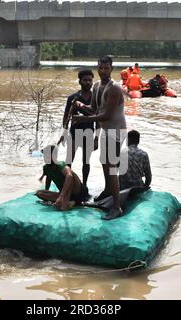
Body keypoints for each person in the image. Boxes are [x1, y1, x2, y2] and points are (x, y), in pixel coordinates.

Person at [72, 55, 127, 220]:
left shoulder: (115, 89)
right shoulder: (96, 86)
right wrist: (82, 106)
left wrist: (83, 119)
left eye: (106, 68)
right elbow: (95, 110)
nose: (103, 71)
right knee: (104, 162)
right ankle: (108, 191)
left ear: (111, 69)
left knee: (111, 166)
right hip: (105, 129)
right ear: (98, 68)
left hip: (116, 130)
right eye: (101, 68)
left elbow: (107, 115)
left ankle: (116, 207)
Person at [57, 69, 97, 190]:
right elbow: (66, 117)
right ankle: (67, 184)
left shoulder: (95, 98)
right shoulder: (73, 98)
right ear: (80, 81)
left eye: (90, 80)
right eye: (85, 80)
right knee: (69, 160)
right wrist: (63, 133)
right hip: (74, 133)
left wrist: (97, 138)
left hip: (89, 132)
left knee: (86, 161)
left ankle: (84, 185)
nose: (87, 82)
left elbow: (99, 118)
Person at [36, 145, 89, 211]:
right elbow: (48, 179)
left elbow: (69, 176)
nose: (45, 157)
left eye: (47, 155)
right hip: (66, 195)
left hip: (79, 193)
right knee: (39, 193)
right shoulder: (46, 167)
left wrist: (61, 195)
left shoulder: (60, 165)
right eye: (44, 155)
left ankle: (67, 201)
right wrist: (46, 196)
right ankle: (68, 201)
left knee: (69, 177)